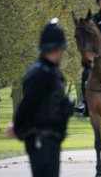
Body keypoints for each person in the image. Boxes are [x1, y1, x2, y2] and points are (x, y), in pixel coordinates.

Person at [11, 19, 74, 177]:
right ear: (55, 48)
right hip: (41, 140)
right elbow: (27, 104)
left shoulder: (52, 72)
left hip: (51, 138)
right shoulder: (41, 73)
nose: (63, 53)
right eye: (62, 49)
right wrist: (18, 128)